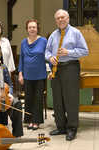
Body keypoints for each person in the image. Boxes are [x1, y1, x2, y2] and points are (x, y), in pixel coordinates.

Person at [45, 9, 89, 141]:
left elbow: (84, 51)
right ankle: (61, 127)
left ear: (68, 18)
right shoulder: (53, 35)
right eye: (58, 18)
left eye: (62, 17)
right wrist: (50, 57)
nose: (60, 20)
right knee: (57, 99)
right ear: (56, 20)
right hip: (56, 69)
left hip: (70, 67)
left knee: (71, 99)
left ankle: (72, 128)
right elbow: (46, 51)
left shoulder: (76, 33)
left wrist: (68, 52)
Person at [18, 19, 47, 130]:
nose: (32, 29)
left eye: (34, 27)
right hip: (27, 76)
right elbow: (21, 59)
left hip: (40, 75)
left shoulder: (43, 41)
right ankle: (29, 120)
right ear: (27, 29)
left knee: (38, 98)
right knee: (28, 98)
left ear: (37, 28)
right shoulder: (23, 42)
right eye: (30, 27)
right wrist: (20, 73)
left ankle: (36, 121)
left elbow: (48, 54)